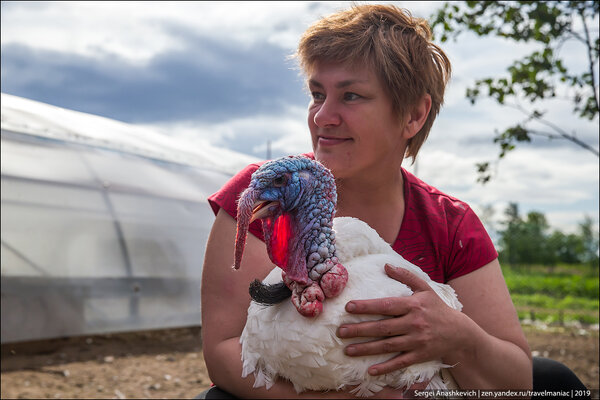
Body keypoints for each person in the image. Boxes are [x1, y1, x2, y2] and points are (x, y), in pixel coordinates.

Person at [200, 4, 586, 399]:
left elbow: (517, 381)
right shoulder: (268, 191)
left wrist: (458, 337)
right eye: (317, 94)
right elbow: (224, 350)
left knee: (555, 382)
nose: (322, 116)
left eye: (350, 95)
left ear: (413, 115)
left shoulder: (450, 223)